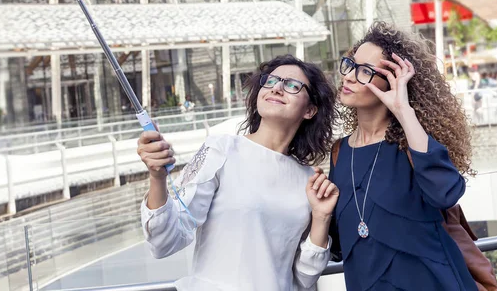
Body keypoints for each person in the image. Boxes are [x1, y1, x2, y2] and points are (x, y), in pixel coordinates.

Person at [137, 55, 339, 291]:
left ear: (310, 110)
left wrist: (322, 217)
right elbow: (164, 241)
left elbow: (305, 278)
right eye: (271, 80)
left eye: (292, 85)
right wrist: (157, 177)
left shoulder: (308, 180)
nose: (277, 88)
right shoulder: (220, 150)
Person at [329, 22, 478, 291]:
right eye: (350, 64)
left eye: (365, 71)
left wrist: (403, 110)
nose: (349, 76)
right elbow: (340, 243)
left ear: (392, 82)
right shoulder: (339, 153)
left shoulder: (413, 143)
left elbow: (445, 194)